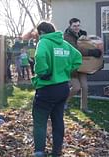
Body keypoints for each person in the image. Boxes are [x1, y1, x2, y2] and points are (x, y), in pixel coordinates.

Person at [31, 21, 82, 157]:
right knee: (58, 120)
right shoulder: (65, 44)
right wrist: (66, 71)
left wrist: (42, 72)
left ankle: (39, 152)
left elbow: (40, 56)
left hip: (47, 89)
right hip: (63, 88)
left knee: (40, 121)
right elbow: (78, 58)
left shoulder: (44, 42)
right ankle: (56, 152)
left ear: (41, 32)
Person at [64, 18, 99, 113]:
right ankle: (64, 102)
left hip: (83, 65)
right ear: (70, 26)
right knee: (76, 87)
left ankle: (84, 108)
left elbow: (86, 44)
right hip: (72, 66)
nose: (77, 28)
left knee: (85, 87)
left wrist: (89, 41)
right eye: (74, 26)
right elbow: (76, 50)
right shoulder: (66, 36)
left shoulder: (81, 34)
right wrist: (92, 52)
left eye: (78, 25)